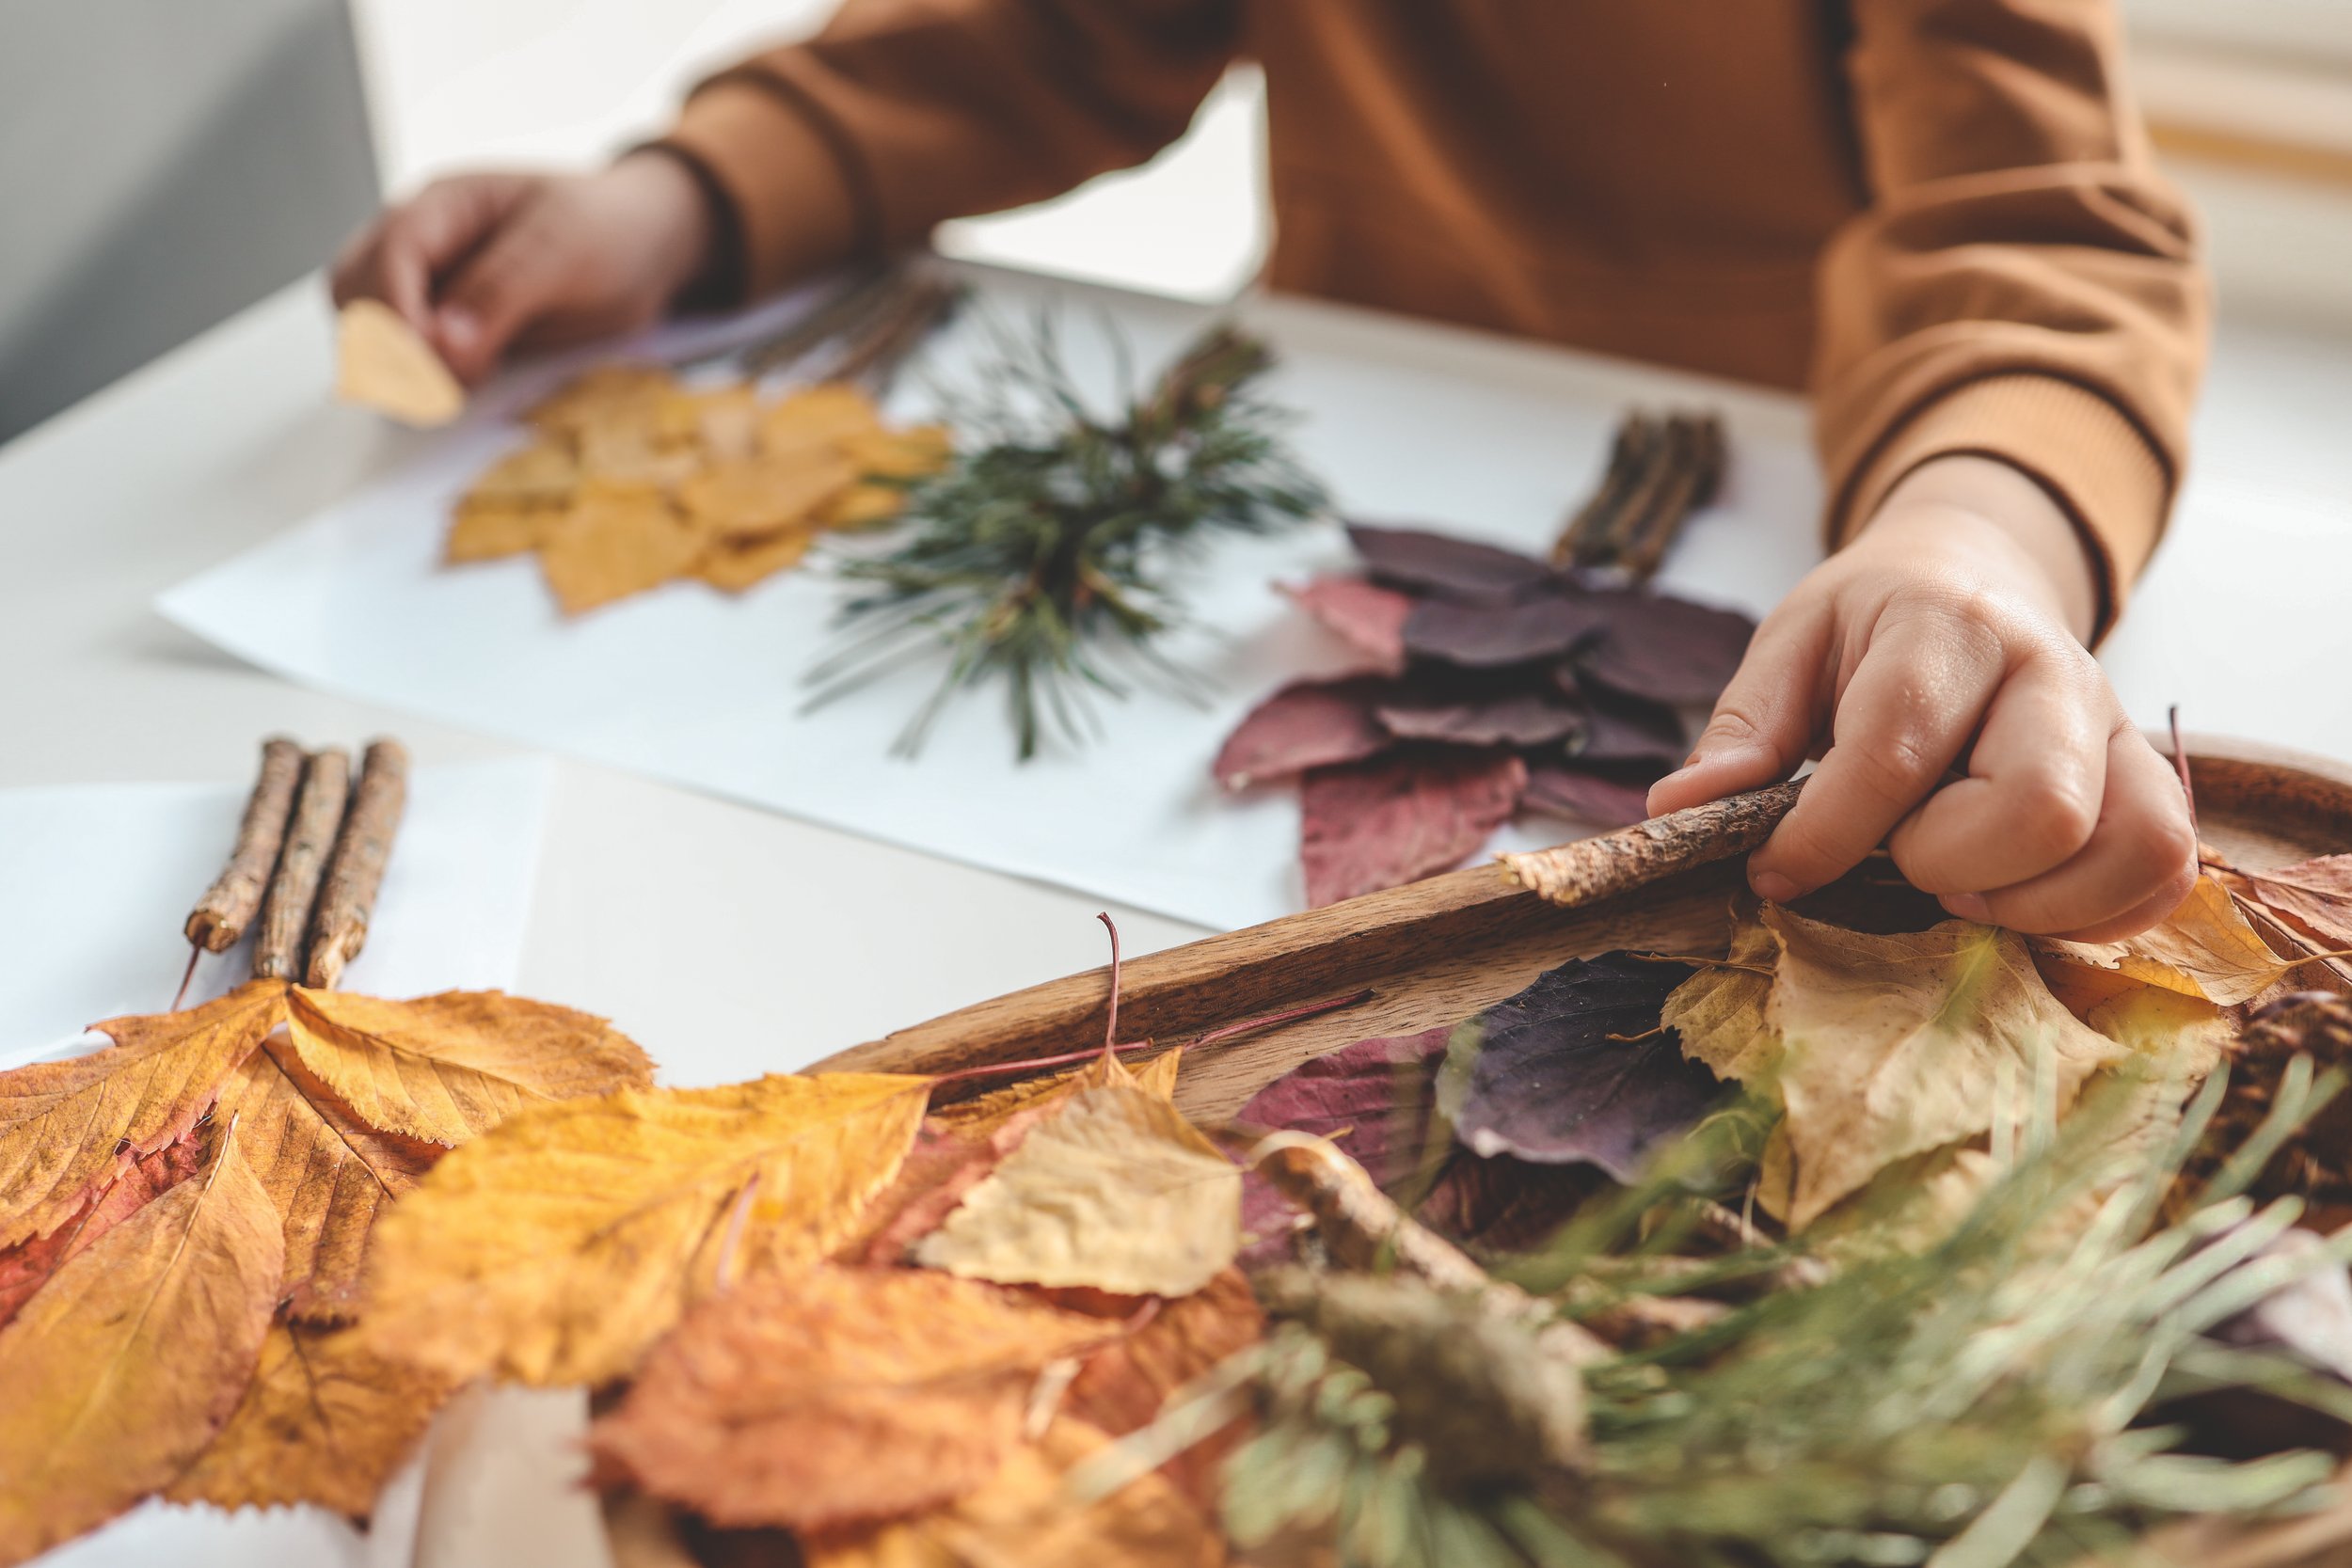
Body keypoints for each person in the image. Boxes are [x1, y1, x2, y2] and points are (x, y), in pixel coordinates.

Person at [335, 0, 2205, 941]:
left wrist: (1979, 527)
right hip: (1336, 452)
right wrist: (685, 197)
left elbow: (2038, 232)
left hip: (1802, 507)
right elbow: (1040, 37)